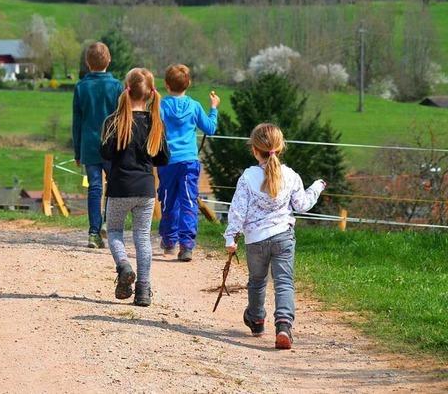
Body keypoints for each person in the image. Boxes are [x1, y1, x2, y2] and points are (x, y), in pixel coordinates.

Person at [223, 123, 326, 350]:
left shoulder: (248, 177)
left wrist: (231, 238)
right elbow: (302, 205)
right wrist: (317, 187)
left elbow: (238, 210)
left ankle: (257, 319)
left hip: (256, 240)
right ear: (280, 148)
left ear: (254, 150)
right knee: (284, 283)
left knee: (257, 281)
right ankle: (283, 326)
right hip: (283, 237)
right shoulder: (290, 176)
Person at [100, 68, 169, 307]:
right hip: (145, 189)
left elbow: (105, 153)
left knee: (115, 232)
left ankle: (124, 266)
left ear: (126, 90)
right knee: (142, 238)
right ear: (151, 93)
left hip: (119, 186)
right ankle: (143, 291)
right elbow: (162, 159)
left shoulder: (114, 120)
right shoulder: (155, 123)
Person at [158, 64, 220, 262]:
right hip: (189, 162)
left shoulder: (162, 106)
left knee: (169, 200)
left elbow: (154, 129)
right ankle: (186, 246)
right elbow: (210, 128)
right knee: (189, 201)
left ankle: (169, 241)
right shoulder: (194, 106)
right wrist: (213, 108)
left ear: (167, 85)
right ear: (189, 84)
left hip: (167, 161)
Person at [72, 42, 123, 249]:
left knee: (94, 188)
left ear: (87, 62)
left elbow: (77, 122)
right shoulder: (117, 86)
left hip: (90, 146)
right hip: (112, 146)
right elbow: (122, 119)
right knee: (113, 187)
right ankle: (109, 227)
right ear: (109, 60)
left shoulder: (81, 87)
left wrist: (77, 151)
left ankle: (93, 232)